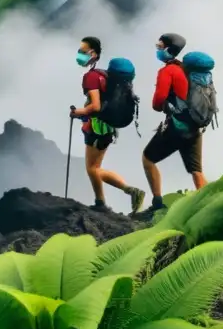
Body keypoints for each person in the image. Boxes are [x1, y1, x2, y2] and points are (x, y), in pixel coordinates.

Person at [69, 37, 146, 214]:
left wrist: (77, 112)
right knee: (94, 168)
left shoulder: (91, 77)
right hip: (108, 127)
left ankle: (119, 195)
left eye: (83, 51)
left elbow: (95, 106)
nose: (79, 54)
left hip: (97, 127)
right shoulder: (104, 76)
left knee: (92, 168)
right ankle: (103, 200)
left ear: (94, 54)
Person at [141, 32, 207, 212]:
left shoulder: (167, 71)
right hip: (195, 127)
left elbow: (158, 101)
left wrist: (161, 106)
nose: (158, 50)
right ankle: (209, 204)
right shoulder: (187, 69)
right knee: (196, 170)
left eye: (160, 47)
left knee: (148, 159)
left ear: (170, 50)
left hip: (177, 129)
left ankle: (157, 203)